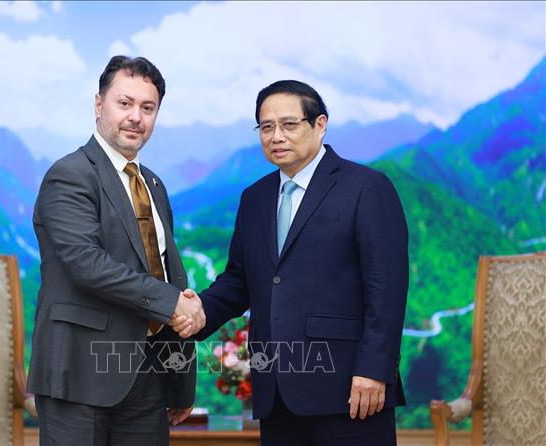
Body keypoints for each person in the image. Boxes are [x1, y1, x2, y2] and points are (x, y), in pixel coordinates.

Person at [172, 80, 408, 445]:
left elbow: (387, 289)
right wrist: (198, 310)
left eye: (289, 124)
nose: (276, 136)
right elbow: (239, 281)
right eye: (266, 127)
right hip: (276, 392)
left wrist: (374, 370)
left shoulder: (366, 187)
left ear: (320, 125)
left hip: (351, 389)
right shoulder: (255, 198)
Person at [27, 55, 205, 446]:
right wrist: (173, 303)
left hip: (148, 379)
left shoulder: (153, 185)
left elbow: (166, 272)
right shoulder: (69, 175)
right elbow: (87, 264)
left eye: (148, 107)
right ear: (99, 104)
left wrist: (180, 379)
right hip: (79, 375)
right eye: (124, 103)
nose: (135, 117)